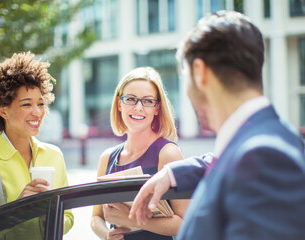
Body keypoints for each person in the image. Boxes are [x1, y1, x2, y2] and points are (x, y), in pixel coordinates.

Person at [129, 11, 305, 240]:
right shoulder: (267, 142)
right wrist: (171, 173)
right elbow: (229, 163)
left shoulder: (262, 156)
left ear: (200, 72)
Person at [0, 52, 73, 237]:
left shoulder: (54, 155)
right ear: (3, 111)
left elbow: (68, 220)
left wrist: (46, 214)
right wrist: (15, 212)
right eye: (27, 105)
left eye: (40, 104)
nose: (37, 112)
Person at [91, 67, 189, 240]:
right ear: (119, 103)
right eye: (130, 99)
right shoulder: (107, 158)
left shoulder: (168, 153)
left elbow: (185, 222)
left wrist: (135, 220)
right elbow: (96, 217)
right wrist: (107, 234)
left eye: (148, 101)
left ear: (157, 108)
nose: (138, 108)